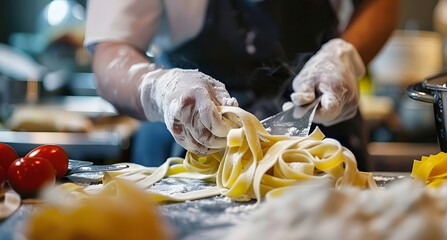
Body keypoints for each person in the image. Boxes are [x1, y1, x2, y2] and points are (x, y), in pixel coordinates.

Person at [84, 0, 399, 169]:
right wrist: (159, 89)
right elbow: (111, 50)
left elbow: (380, 4)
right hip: (182, 145)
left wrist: (343, 57)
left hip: (320, 135)